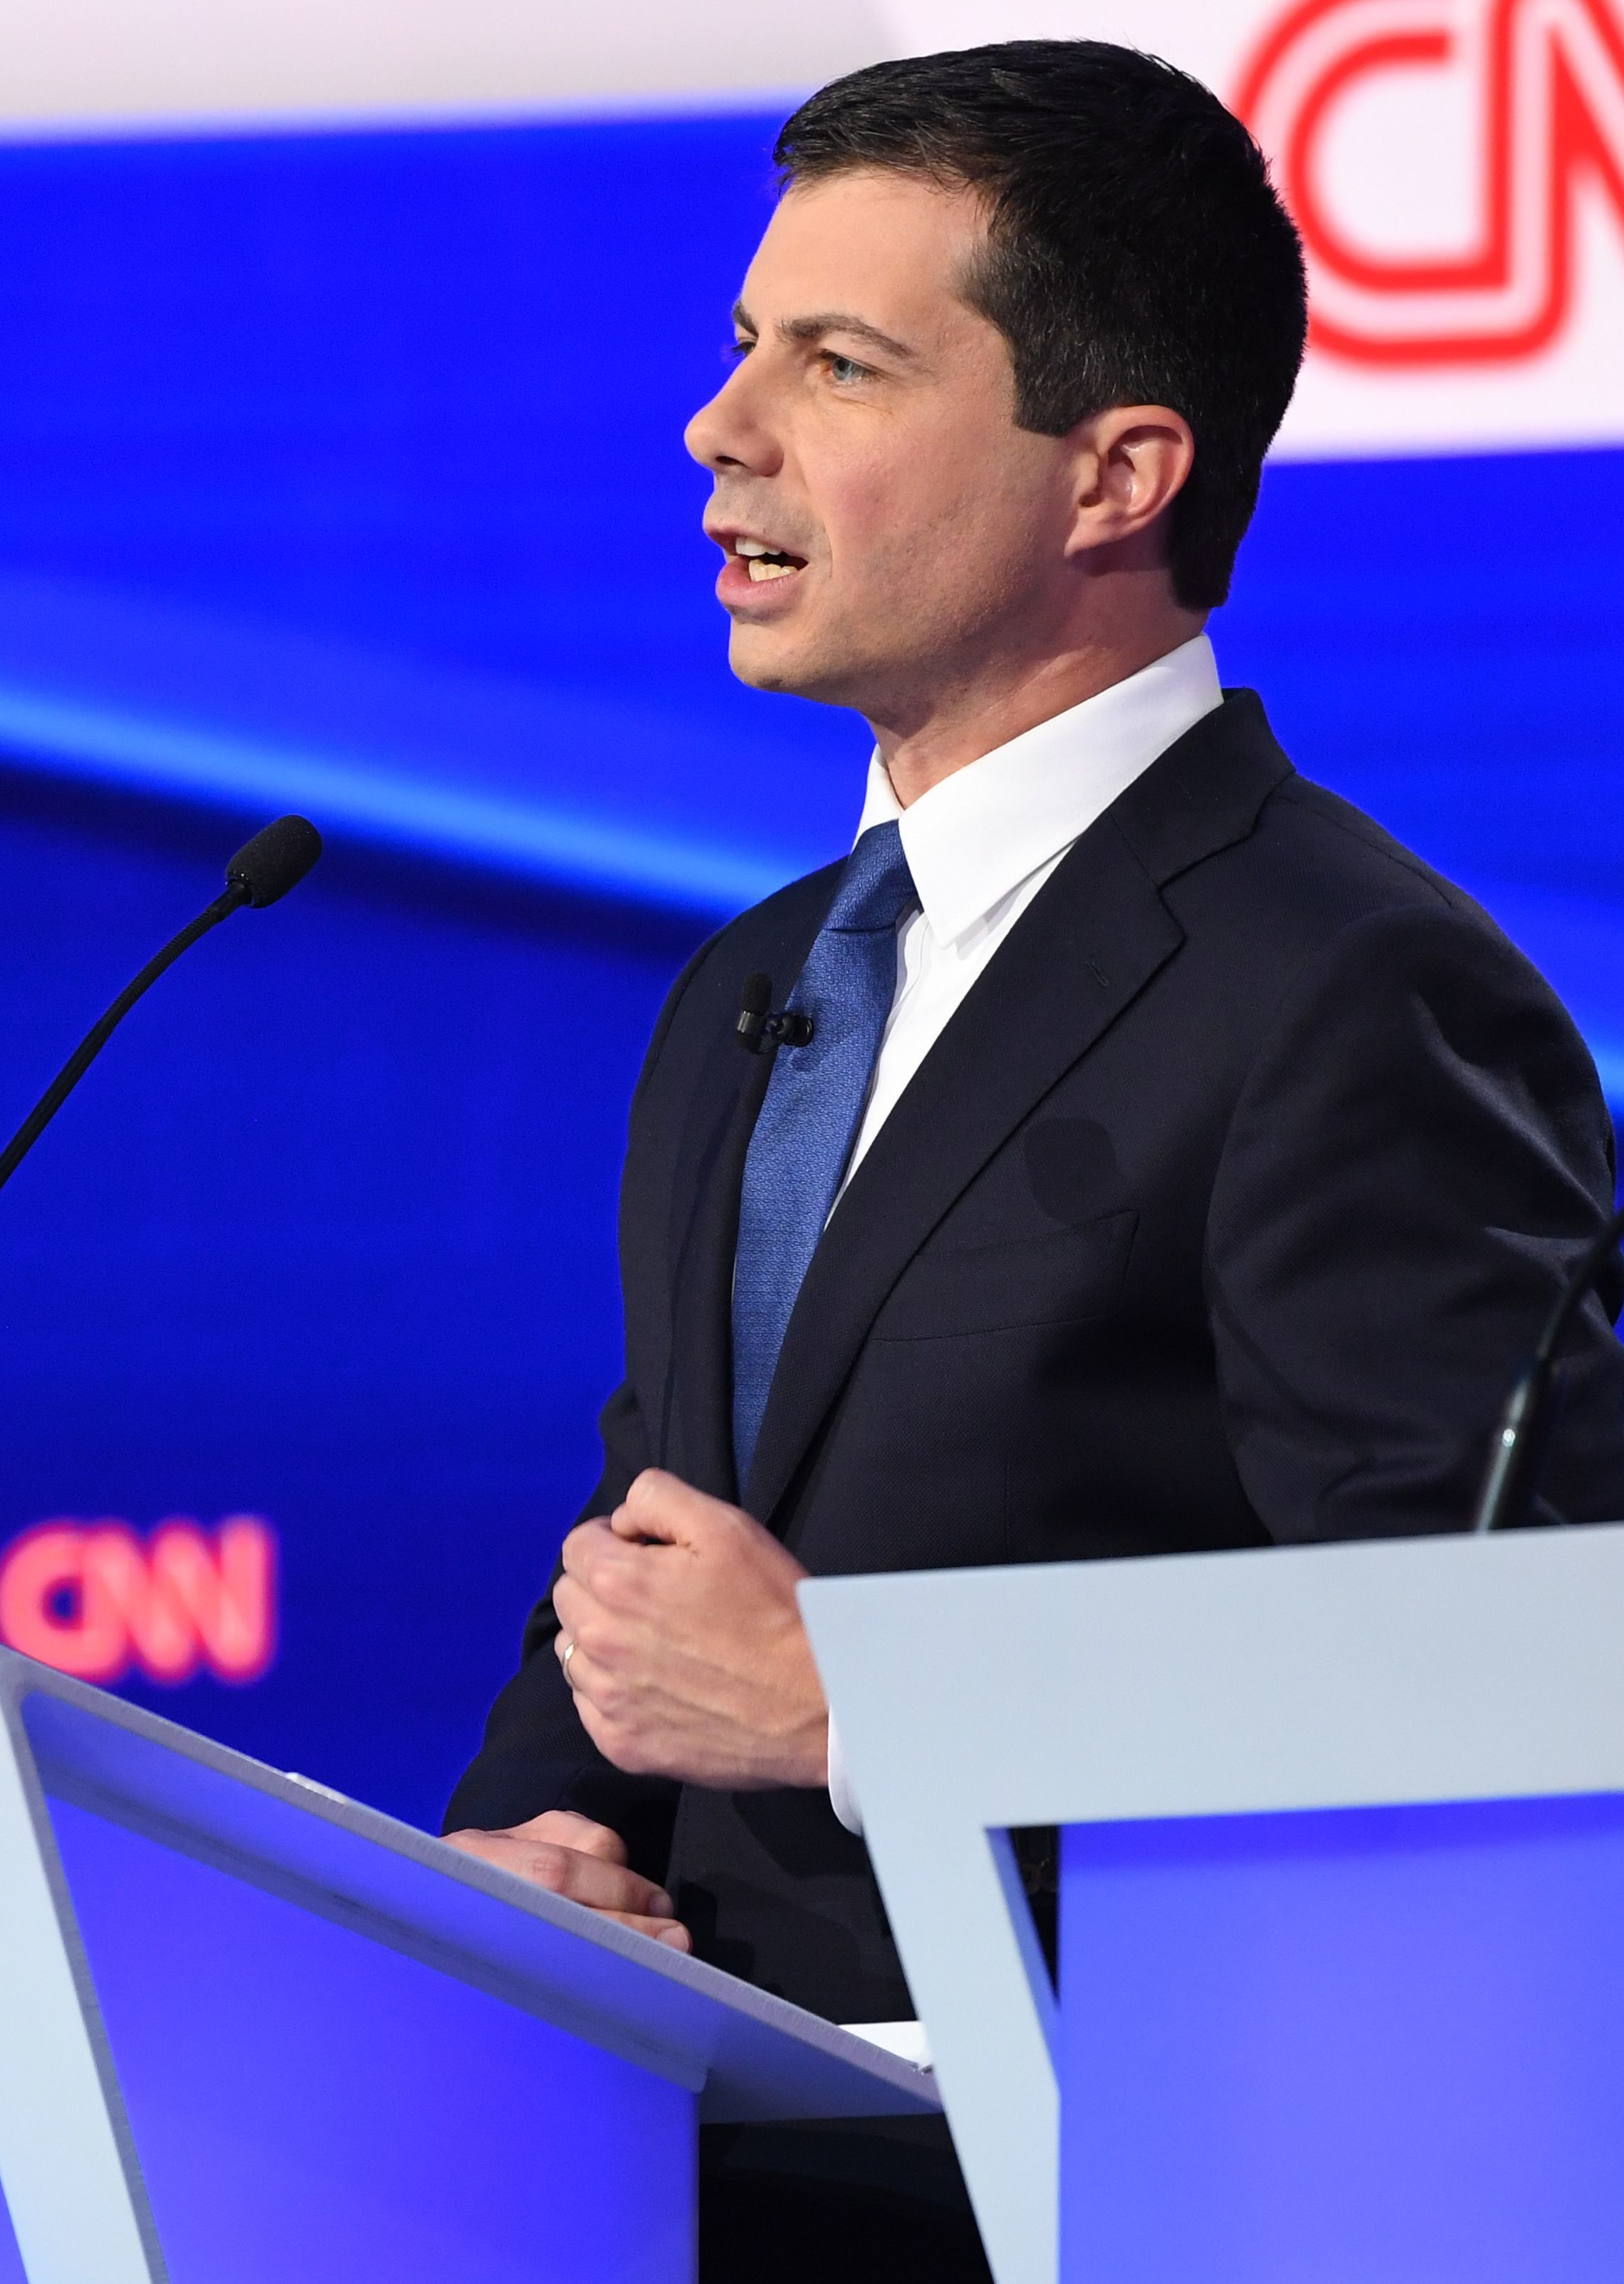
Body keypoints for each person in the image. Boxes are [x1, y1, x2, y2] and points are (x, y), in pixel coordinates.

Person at [440, 41, 1624, 2282]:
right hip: (682, 2184)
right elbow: (657, 1544)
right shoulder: (743, 990)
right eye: (738, 348)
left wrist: (860, 1712)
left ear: (1116, 473)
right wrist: (509, 1846)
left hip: (1140, 2189)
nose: (724, 428)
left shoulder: (1343, 985)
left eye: (840, 362)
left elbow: (1505, 1696)